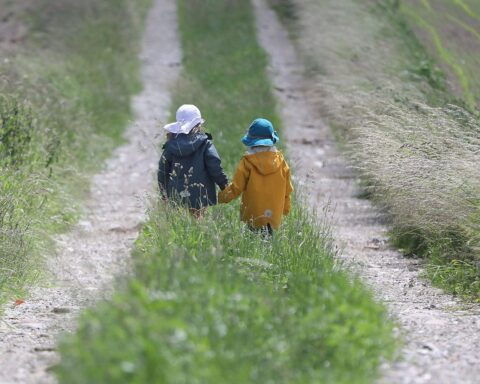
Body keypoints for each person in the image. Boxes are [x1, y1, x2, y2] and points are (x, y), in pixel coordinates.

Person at [218, 118, 293, 234]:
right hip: (273, 214)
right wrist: (286, 208)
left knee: (252, 242)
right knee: (268, 244)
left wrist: (221, 197)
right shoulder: (281, 162)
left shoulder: (247, 162)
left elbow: (236, 187)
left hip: (253, 214)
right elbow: (287, 190)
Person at [158, 104, 228, 218]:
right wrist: (223, 185)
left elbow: (162, 171)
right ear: (198, 124)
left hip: (176, 194)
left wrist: (164, 194)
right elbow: (215, 166)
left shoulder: (171, 145)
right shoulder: (205, 144)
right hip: (200, 193)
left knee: (180, 221)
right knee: (198, 219)